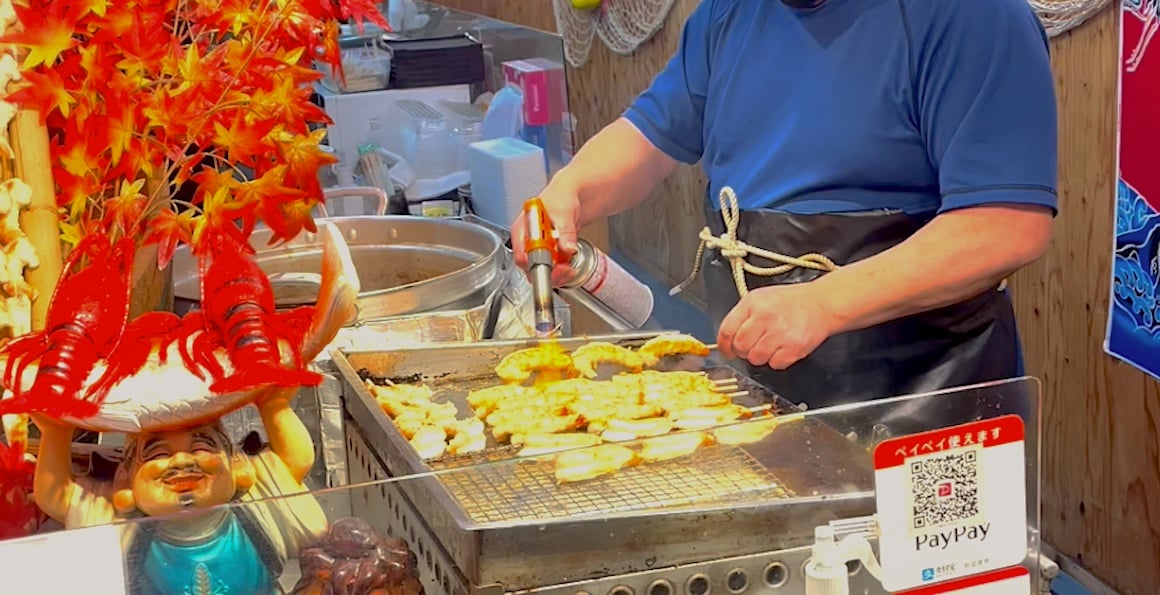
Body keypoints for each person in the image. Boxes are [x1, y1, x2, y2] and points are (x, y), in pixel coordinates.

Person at [512, 0, 1058, 409]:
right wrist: (571, 192)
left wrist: (823, 304)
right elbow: (649, 138)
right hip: (765, 382)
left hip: (925, 398)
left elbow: (1005, 226)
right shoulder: (733, 12)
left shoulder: (973, 16)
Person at [33, 387, 328, 595]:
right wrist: (55, 433)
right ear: (126, 478)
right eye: (158, 453)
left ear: (236, 462)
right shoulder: (124, 527)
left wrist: (275, 406)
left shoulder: (255, 508)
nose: (182, 461)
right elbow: (56, 497)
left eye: (201, 446)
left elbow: (296, 461)